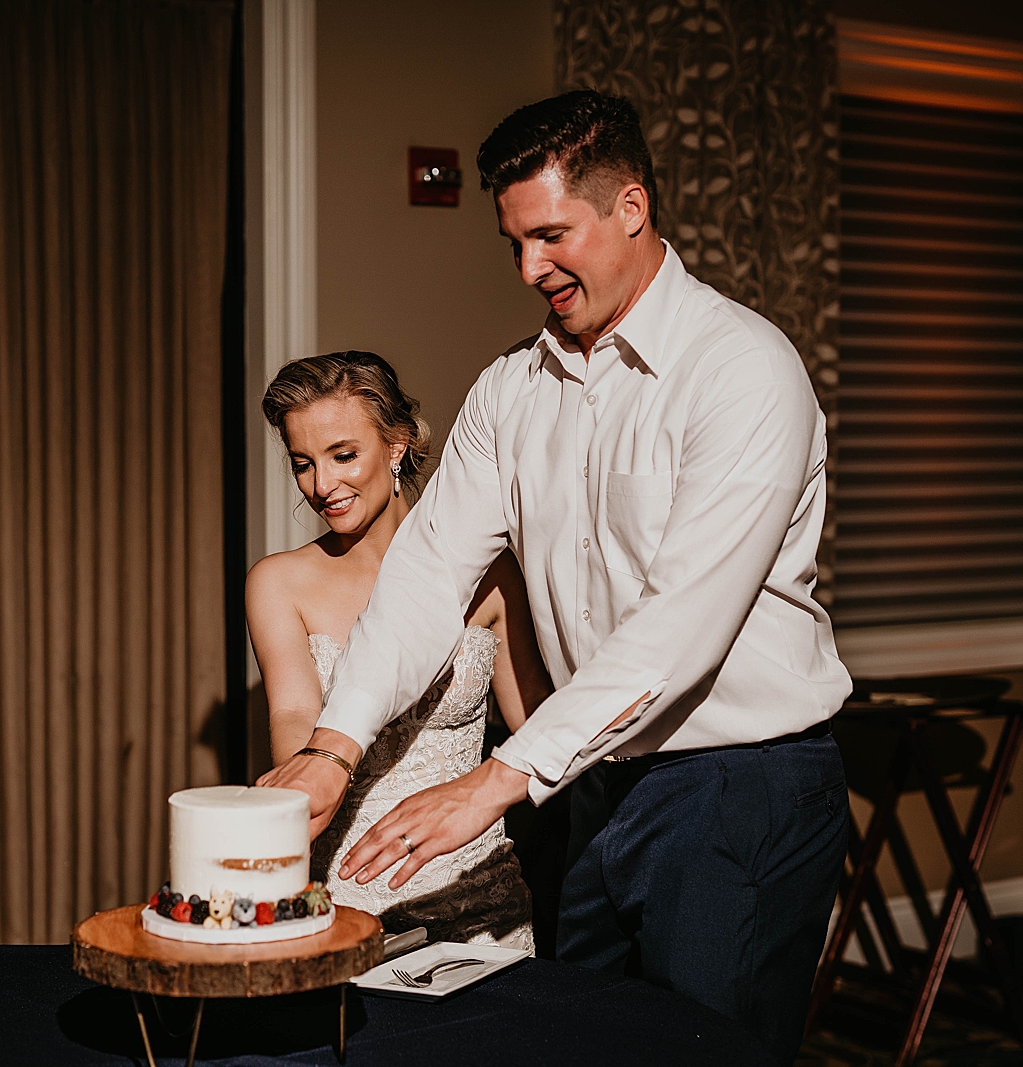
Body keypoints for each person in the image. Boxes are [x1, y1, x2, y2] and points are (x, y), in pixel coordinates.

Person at [259, 91, 853, 1063]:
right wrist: (332, 746)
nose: (532, 269)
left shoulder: (742, 370)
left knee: (709, 1051)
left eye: (550, 235)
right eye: (515, 243)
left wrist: (493, 782)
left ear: (631, 205)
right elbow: (425, 573)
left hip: (736, 782)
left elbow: (680, 628)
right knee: (571, 1038)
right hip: (593, 779)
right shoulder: (510, 388)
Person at [246, 351, 547, 949]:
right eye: (302, 464)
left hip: (478, 898)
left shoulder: (491, 572)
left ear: (398, 445)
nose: (321, 486)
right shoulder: (278, 582)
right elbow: (295, 720)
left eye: (343, 456)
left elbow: (535, 725)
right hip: (345, 905)